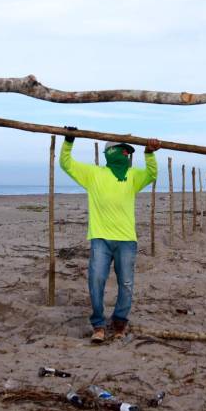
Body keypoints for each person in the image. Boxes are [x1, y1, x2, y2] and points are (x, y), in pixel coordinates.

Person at [59, 127, 160, 343]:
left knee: (126, 283)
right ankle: (98, 324)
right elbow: (66, 164)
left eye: (129, 153)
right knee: (96, 280)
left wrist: (149, 154)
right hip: (100, 238)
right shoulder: (94, 174)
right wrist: (69, 141)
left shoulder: (133, 176)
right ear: (111, 152)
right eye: (124, 151)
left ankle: (119, 322)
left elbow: (152, 174)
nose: (127, 155)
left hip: (126, 240)